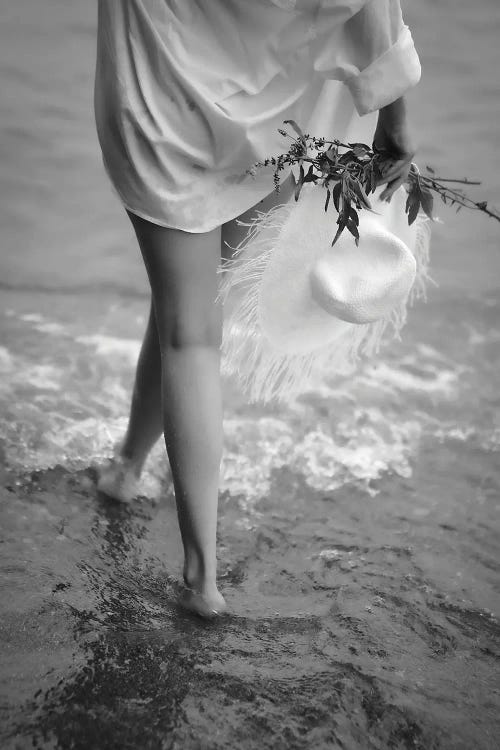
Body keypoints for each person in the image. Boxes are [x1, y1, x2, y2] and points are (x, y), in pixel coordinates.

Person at [93, 0, 421, 619]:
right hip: (272, 101)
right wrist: (394, 111)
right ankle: (129, 467)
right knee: (191, 315)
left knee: (188, 328)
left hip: (158, 87)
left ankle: (201, 578)